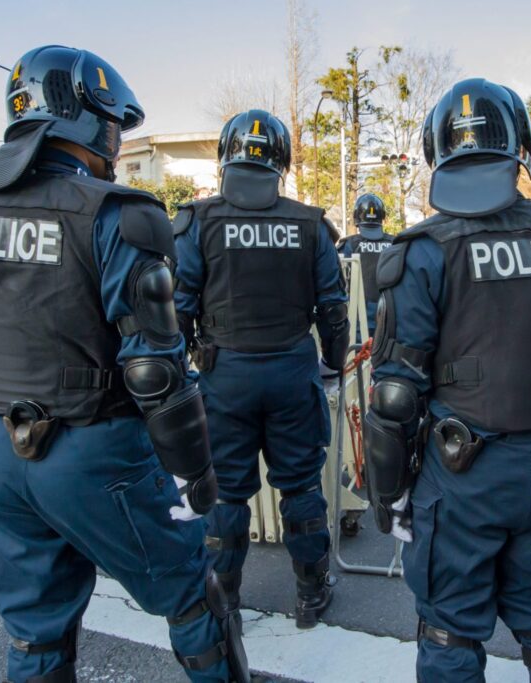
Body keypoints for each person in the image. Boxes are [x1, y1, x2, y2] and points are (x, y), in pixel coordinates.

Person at [0, 45, 251, 682]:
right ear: (88, 120)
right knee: (193, 596)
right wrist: (197, 480)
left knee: (34, 634)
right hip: (96, 455)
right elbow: (154, 371)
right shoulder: (116, 212)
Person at [363, 78, 531, 682]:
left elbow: (395, 394)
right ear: (520, 145)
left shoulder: (426, 249)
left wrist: (391, 492)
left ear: (437, 149)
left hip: (463, 475)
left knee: (450, 629)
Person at [173, 109, 349, 629]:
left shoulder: (197, 221)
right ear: (282, 160)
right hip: (293, 370)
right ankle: (311, 594)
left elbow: (177, 305)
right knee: (300, 485)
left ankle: (223, 595)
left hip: (224, 373)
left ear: (226, 155)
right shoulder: (310, 223)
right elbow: (334, 310)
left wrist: (194, 357)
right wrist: (333, 364)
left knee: (226, 489)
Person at [337, 193, 394, 337]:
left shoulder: (349, 245)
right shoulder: (395, 243)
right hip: (391, 318)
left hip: (357, 320)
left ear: (357, 219)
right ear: (382, 218)